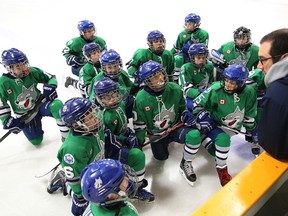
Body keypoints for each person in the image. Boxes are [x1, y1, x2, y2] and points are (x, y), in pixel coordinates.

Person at [187, 64, 258, 186]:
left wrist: (252, 130)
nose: (227, 84)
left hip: (233, 127)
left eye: (232, 82)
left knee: (216, 150)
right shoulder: (215, 89)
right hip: (215, 124)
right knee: (221, 141)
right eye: (227, 80)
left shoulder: (249, 92)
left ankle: (207, 142)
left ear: (241, 83)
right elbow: (195, 106)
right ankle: (222, 169)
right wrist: (203, 117)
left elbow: (250, 114)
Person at [132, 60, 200, 186]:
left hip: (175, 128)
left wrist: (185, 113)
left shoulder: (175, 88)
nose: (160, 78)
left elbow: (182, 108)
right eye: (154, 77)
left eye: (160, 74)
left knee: (194, 135)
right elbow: (139, 124)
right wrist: (139, 141)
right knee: (161, 157)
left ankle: (186, 163)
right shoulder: (141, 98)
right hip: (157, 134)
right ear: (147, 81)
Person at [92, 77, 155, 202]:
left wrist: (129, 133)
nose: (113, 99)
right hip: (109, 151)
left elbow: (123, 125)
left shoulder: (120, 104)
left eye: (114, 94)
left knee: (135, 152)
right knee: (138, 156)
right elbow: (108, 141)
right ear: (99, 98)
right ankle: (134, 189)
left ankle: (132, 179)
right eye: (107, 97)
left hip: (121, 141)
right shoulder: (103, 116)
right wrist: (124, 140)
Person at [48, 97, 105, 216]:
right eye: (89, 117)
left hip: (97, 168)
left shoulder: (92, 127)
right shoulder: (73, 149)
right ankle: (63, 180)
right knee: (79, 212)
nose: (95, 117)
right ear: (77, 124)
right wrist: (80, 196)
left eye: (93, 112)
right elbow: (75, 178)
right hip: (85, 179)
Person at [0, 48, 68, 145]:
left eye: (24, 64)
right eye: (18, 67)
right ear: (9, 68)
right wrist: (6, 120)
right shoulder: (3, 82)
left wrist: (51, 86)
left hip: (40, 104)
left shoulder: (32, 71)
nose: (24, 68)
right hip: (25, 116)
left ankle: (66, 136)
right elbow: (1, 103)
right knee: (36, 141)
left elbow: (50, 77)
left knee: (56, 105)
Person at [257, 28, 288, 159]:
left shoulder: (277, 94)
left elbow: (274, 147)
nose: (259, 66)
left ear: (285, 58)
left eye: (263, 59)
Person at [89, 49, 139, 119]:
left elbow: (132, 88)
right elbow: (93, 102)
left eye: (115, 66)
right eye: (109, 67)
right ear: (103, 67)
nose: (113, 70)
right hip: (109, 108)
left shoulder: (122, 73)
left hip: (122, 104)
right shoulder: (98, 80)